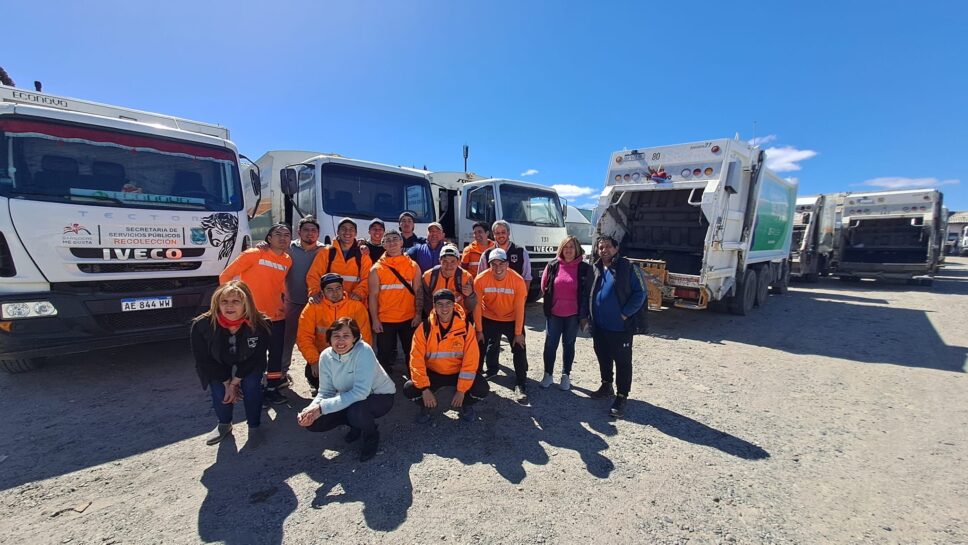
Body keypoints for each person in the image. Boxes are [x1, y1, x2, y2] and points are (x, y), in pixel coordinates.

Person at [296, 317, 395, 462]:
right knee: (314, 421)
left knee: (356, 411)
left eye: (346, 336)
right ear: (329, 339)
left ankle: (371, 435)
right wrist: (310, 410)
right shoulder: (325, 356)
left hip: (380, 396)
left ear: (354, 338)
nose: (340, 341)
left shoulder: (364, 351)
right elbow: (326, 391)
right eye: (336, 336)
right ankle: (356, 425)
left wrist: (322, 408)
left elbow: (361, 392)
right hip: (351, 397)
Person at [191, 280, 272, 447]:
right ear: (217, 303)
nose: (229, 306)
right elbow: (203, 360)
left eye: (236, 301)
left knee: (251, 385)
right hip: (217, 364)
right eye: (224, 301)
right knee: (219, 391)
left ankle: (254, 426)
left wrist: (236, 381)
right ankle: (224, 424)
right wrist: (227, 383)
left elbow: (257, 357)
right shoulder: (201, 325)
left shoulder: (261, 324)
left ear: (246, 304)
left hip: (248, 363)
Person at [219, 223, 292, 405]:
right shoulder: (253, 254)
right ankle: (253, 389)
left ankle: (272, 388)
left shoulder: (287, 260)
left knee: (275, 355)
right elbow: (225, 276)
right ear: (269, 238)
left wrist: (283, 304)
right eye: (278, 234)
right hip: (252, 317)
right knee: (252, 354)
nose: (283, 238)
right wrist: (232, 305)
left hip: (276, 316)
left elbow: (279, 285)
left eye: (287, 235)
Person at [404, 289, 488, 423]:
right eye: (440, 304)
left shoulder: (466, 328)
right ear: (434, 306)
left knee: (482, 388)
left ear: (454, 305)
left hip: (457, 373)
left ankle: (465, 404)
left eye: (448, 303)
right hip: (434, 373)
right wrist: (424, 389)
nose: (444, 308)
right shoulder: (424, 328)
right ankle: (427, 406)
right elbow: (416, 360)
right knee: (409, 389)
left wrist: (461, 391)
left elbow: (471, 361)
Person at [588, 235, 647, 418]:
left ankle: (622, 396)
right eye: (600, 247)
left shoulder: (628, 267)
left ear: (616, 248)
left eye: (607, 246)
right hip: (599, 325)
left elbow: (641, 293)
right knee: (603, 356)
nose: (604, 250)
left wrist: (625, 313)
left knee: (622, 362)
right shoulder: (596, 267)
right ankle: (606, 385)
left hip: (620, 327)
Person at [297, 273, 372, 392]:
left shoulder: (356, 306)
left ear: (343, 288)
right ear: (322, 292)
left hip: (349, 356)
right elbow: (304, 337)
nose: (335, 293)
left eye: (338, 288)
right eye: (329, 289)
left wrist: (357, 360)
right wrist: (314, 360)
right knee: (314, 375)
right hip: (324, 355)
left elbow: (365, 337)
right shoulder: (312, 307)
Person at [473, 248, 530, 403]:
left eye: (501, 264)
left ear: (507, 264)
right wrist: (479, 330)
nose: (498, 268)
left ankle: (521, 384)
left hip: (511, 319)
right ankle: (475, 380)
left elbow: (520, 308)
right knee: (478, 346)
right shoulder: (480, 279)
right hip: (488, 317)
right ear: (489, 265)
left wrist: (518, 333)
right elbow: (477, 306)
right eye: (494, 264)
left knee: (519, 347)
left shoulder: (517, 280)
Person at [539, 236, 592, 391]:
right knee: (550, 345)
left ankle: (565, 375)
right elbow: (544, 286)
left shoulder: (584, 268)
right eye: (565, 247)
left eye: (572, 247)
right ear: (561, 249)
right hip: (554, 313)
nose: (568, 250)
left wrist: (585, 315)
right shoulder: (552, 265)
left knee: (569, 345)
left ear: (577, 249)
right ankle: (548, 374)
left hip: (573, 315)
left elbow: (587, 291)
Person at [368, 229, 423, 373]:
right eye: (388, 240)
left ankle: (415, 379)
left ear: (401, 242)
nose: (392, 242)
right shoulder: (376, 269)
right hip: (385, 320)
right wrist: (375, 320)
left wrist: (418, 314)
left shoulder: (413, 266)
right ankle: (383, 381)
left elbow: (418, 292)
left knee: (412, 352)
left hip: (409, 318)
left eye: (395, 239)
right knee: (384, 355)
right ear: (383, 245)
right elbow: (373, 296)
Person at [280, 216, 326, 388]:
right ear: (298, 232)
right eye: (306, 230)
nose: (310, 233)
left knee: (317, 340)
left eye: (313, 230)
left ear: (318, 233)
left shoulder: (325, 250)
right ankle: (281, 373)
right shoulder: (288, 248)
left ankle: (317, 378)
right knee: (287, 339)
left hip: (316, 304)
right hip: (292, 302)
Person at [306, 217, 372, 305]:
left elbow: (368, 278)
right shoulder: (326, 252)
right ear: (337, 232)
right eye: (343, 228)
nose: (347, 232)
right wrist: (315, 292)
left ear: (356, 233)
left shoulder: (362, 254)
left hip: (354, 303)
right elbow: (314, 275)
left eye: (351, 229)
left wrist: (359, 293)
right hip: (329, 304)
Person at [421, 244, 476, 319]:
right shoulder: (428, 277)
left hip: (459, 318)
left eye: (452, 261)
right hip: (436, 318)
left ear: (458, 262)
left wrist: (470, 296)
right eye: (445, 261)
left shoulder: (466, 278)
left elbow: (470, 307)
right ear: (439, 261)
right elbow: (426, 303)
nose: (448, 265)